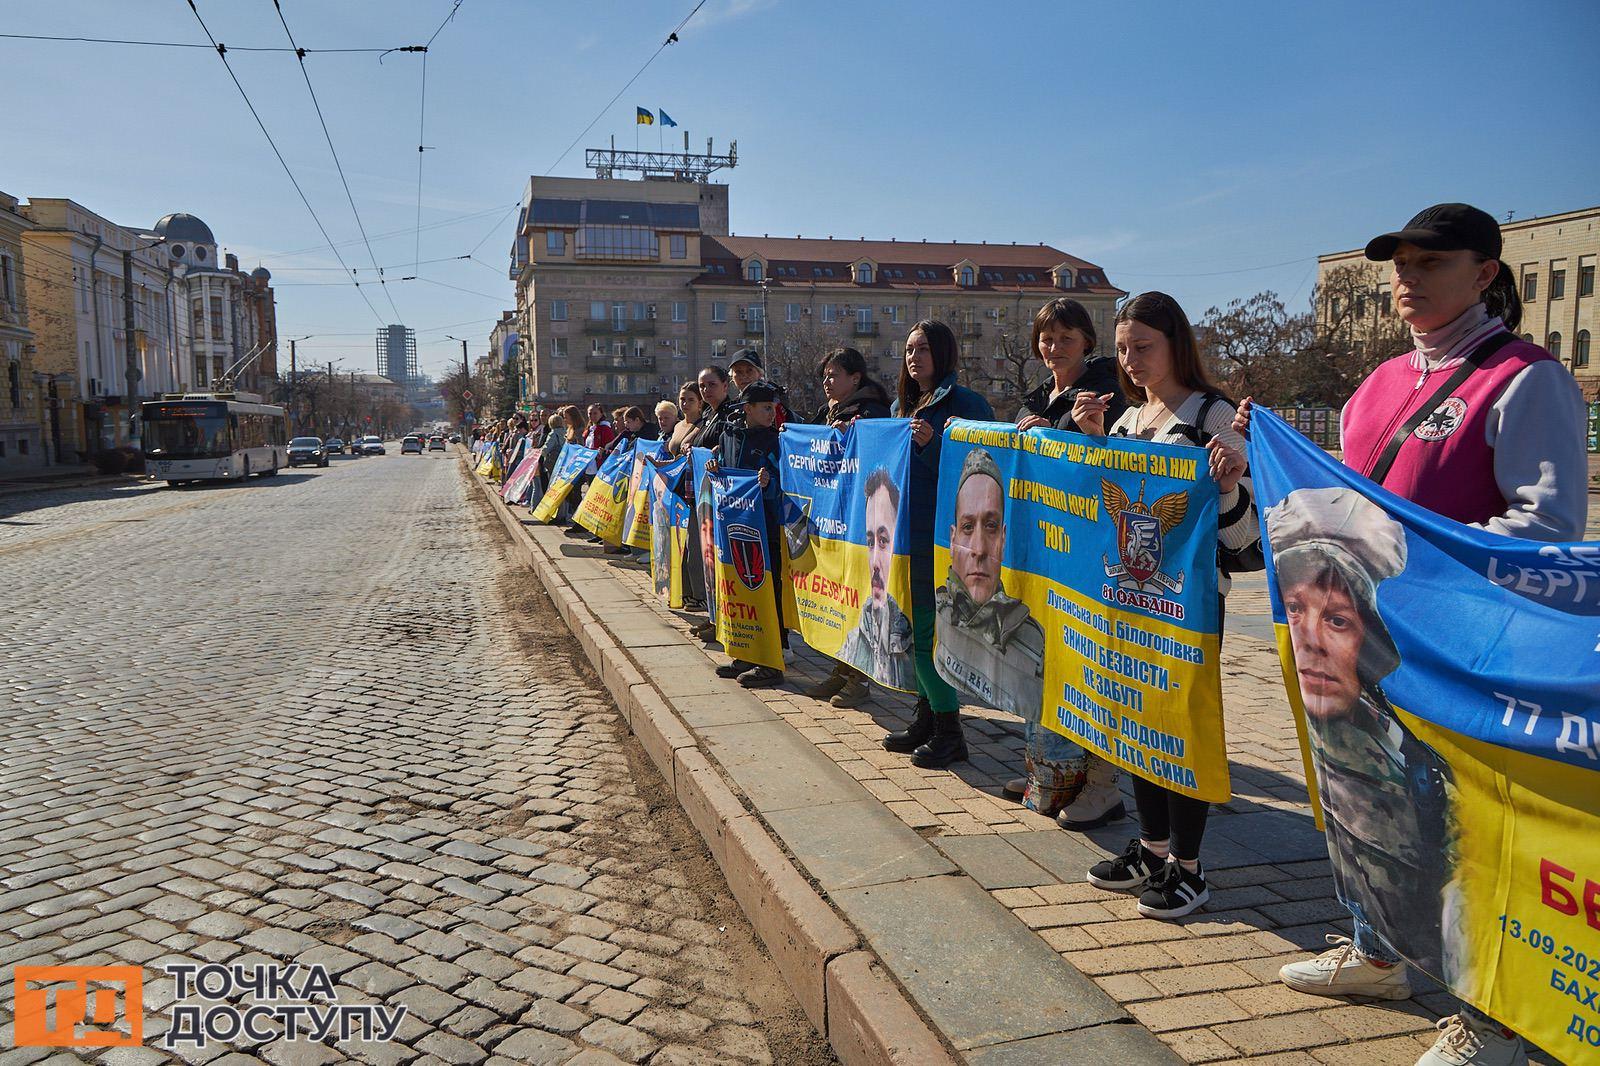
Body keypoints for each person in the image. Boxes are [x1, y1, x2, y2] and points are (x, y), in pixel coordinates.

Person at [1240, 203, 1588, 1066]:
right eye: (1399, 264)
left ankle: (1496, 1019)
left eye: (1431, 263)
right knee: (1364, 795)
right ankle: (1377, 951)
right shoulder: (1381, 382)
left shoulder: (1522, 376)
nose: (1407, 278)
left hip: (1469, 651)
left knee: (1476, 823)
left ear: (1484, 274)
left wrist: (1424, 580)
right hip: (1376, 646)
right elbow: (1340, 498)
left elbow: (1546, 524)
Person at [1071, 291, 1254, 919]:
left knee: (1181, 726)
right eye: (1122, 348)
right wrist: (1093, 441)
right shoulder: (1125, 420)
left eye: (1143, 346)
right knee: (1134, 723)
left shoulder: (1212, 414)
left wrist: (1228, 487)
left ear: (1177, 342)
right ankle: (1151, 850)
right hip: (1128, 600)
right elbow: (1102, 512)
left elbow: (1247, 539)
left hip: (1191, 606)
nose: (1130, 359)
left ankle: (1191, 867)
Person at [1265, 489, 1458, 983]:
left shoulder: (1420, 758)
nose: (1308, 638)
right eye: (1294, 609)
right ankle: (1375, 952)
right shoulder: (1346, 739)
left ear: (1370, 637)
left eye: (1337, 620)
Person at [1012, 297, 1130, 821]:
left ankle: (1100, 785)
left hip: (1091, 551)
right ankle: (1049, 771)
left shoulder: (1105, 395)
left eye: (1065, 338)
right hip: (1048, 549)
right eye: (1046, 338)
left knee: (1087, 666)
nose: (1053, 348)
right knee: (1045, 662)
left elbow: (1112, 463)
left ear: (1088, 341)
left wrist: (1055, 435)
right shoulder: (1039, 396)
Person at [884, 320, 994, 769]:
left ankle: (951, 733)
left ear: (945, 353)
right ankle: (927, 717)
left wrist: (934, 447)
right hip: (905, 535)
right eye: (909, 350)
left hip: (943, 540)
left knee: (931, 632)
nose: (914, 357)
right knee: (914, 633)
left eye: (924, 348)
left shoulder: (967, 404)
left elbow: (984, 471)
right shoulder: (902, 406)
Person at [804, 347, 895, 708]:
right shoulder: (831, 412)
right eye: (824, 375)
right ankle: (841, 669)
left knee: (859, 600)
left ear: (855, 378)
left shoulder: (870, 412)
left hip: (861, 523)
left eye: (834, 375)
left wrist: (852, 436)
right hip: (836, 520)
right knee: (838, 598)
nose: (827, 381)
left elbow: (876, 456)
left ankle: (860, 679)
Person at [933, 448, 1046, 720]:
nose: (979, 549)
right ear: (952, 539)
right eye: (968, 527)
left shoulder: (1034, 641)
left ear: (1004, 539)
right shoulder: (937, 610)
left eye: (992, 526)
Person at [708, 380, 787, 688]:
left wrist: (769, 483)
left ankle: (771, 662)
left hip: (765, 530)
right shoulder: (730, 435)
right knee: (740, 590)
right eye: (766, 408)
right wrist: (716, 467)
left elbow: (785, 483)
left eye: (774, 408)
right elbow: (725, 470)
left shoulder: (775, 440)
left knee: (766, 592)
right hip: (734, 528)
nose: (772, 413)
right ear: (748, 409)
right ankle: (745, 652)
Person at [835, 467, 915, 692]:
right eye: (870, 542)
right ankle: (844, 675)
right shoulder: (858, 631)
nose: (876, 561)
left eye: (884, 540)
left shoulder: (910, 639)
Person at [730, 349, 789, 426]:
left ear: (760, 374)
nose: (744, 376)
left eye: (749, 370)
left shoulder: (772, 400)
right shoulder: (733, 404)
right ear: (732, 377)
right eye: (738, 371)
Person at [667, 384, 702, 456]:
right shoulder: (677, 425)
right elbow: (675, 460)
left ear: (700, 403)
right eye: (682, 399)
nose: (685, 403)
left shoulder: (703, 426)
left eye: (691, 400)